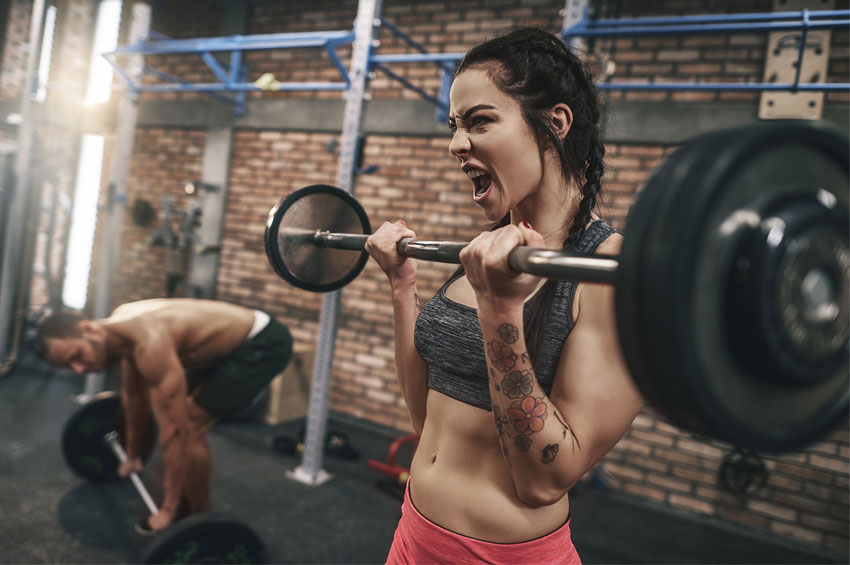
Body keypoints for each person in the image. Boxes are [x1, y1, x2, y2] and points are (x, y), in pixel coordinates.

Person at [365, 27, 643, 564]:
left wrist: (500, 310)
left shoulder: (605, 269)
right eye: (454, 126)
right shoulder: (488, 252)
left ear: (554, 124)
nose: (456, 144)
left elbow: (546, 479)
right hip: (412, 538)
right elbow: (425, 420)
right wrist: (402, 289)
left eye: (480, 121)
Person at [37, 298, 292, 533]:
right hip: (222, 345)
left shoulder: (150, 343)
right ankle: (185, 502)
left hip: (262, 342)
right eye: (69, 366)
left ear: (88, 329)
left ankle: (199, 520)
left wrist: (167, 509)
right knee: (173, 413)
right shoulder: (121, 326)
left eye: (77, 357)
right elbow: (134, 396)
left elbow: (175, 431)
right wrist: (132, 454)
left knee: (190, 424)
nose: (79, 370)